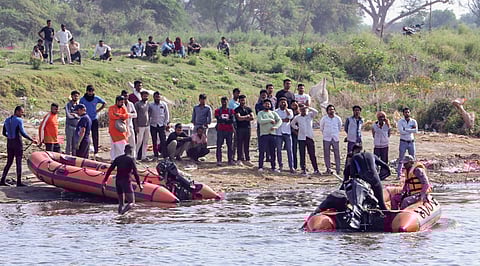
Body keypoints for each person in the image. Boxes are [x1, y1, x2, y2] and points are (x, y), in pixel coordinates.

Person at [346, 144, 391, 210]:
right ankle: (388, 217)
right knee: (382, 204)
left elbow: (353, 175)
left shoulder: (354, 158)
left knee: (361, 205)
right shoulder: (371, 154)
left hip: (364, 183)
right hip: (375, 180)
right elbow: (386, 166)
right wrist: (382, 177)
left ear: (353, 151)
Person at [1, 106, 37, 187]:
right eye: (21, 112)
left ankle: (2, 180)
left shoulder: (7, 120)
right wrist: (32, 140)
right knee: (18, 162)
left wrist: (10, 137)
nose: (22, 113)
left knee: (9, 162)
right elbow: (23, 133)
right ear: (17, 111)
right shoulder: (19, 120)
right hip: (17, 143)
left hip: (9, 143)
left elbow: (3, 133)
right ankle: (19, 182)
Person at [102, 145, 143, 214]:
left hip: (118, 181)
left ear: (124, 150)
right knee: (131, 202)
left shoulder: (118, 158)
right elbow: (135, 173)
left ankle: (119, 217)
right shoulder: (131, 159)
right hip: (126, 181)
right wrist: (139, 184)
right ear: (131, 151)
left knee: (121, 203)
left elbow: (110, 170)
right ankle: (121, 215)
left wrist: (105, 180)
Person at [291, 104, 319, 175]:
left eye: (304, 109)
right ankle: (303, 169)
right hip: (301, 137)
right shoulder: (297, 117)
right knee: (302, 154)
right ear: (300, 110)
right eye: (302, 109)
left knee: (312, 154)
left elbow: (316, 112)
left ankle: (316, 169)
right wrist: (297, 129)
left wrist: (308, 107)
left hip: (309, 137)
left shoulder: (310, 115)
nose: (303, 111)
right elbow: (292, 124)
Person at [79, 85, 106, 157]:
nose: (91, 93)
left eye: (92, 91)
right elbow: (80, 107)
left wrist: (98, 110)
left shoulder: (96, 98)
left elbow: (104, 103)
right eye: (89, 91)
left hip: (94, 119)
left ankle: (96, 151)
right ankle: (84, 149)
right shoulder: (82, 99)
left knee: (95, 135)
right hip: (86, 119)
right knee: (85, 135)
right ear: (86, 91)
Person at [257, 99, 282, 172]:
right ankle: (260, 166)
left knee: (272, 151)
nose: (267, 105)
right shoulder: (260, 113)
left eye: (268, 104)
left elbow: (279, 120)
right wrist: (270, 120)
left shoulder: (273, 113)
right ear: (263, 105)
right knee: (262, 151)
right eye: (266, 104)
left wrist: (276, 126)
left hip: (272, 134)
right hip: (264, 134)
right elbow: (260, 121)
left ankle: (273, 167)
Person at [319, 104, 342, 175]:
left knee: (337, 154)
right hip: (326, 138)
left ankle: (338, 169)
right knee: (326, 154)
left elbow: (339, 127)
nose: (331, 111)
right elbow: (321, 128)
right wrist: (326, 134)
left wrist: (335, 133)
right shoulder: (324, 119)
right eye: (330, 110)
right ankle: (328, 169)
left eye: (332, 109)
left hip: (335, 138)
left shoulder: (338, 118)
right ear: (327, 111)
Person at [396, 107, 418, 178]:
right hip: (403, 141)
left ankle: (413, 173)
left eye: (408, 112)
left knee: (412, 158)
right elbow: (401, 131)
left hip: (411, 141)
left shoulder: (413, 121)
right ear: (403, 113)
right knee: (401, 158)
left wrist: (406, 129)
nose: (407, 113)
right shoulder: (400, 122)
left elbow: (415, 130)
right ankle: (399, 174)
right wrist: (410, 130)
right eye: (405, 112)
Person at [275, 97, 294, 173]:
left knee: (289, 150)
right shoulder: (276, 111)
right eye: (281, 102)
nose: (283, 104)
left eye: (284, 103)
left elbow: (290, 117)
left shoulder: (289, 110)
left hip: (287, 132)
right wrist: (283, 120)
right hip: (279, 133)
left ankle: (291, 166)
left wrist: (286, 109)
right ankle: (280, 165)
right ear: (279, 103)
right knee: (279, 150)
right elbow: (276, 120)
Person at [215, 96, 235, 166]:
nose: (224, 103)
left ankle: (230, 160)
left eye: (225, 101)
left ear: (227, 102)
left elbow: (232, 120)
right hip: (220, 130)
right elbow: (218, 119)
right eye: (222, 101)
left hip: (229, 130)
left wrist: (224, 121)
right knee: (219, 146)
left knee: (230, 146)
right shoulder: (218, 111)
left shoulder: (231, 111)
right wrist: (227, 121)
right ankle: (219, 160)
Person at [149, 91, 170, 159]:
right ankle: (155, 155)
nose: (157, 98)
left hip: (161, 125)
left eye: (158, 96)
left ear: (160, 97)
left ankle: (165, 155)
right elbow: (148, 115)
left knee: (163, 140)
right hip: (153, 125)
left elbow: (167, 114)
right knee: (154, 140)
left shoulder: (164, 104)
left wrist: (165, 123)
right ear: (153, 97)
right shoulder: (151, 105)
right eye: (156, 97)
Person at [108, 96, 129, 161]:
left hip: (121, 131)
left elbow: (126, 116)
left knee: (122, 147)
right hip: (113, 130)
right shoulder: (111, 108)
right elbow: (112, 116)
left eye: (122, 102)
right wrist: (121, 116)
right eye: (120, 102)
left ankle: (122, 160)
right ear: (117, 101)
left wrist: (118, 115)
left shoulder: (123, 108)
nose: (122, 103)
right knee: (113, 147)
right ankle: (113, 160)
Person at [235, 95, 254, 165]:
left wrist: (244, 118)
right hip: (240, 128)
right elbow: (239, 118)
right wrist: (247, 117)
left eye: (244, 100)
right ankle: (239, 159)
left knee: (247, 144)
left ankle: (247, 159)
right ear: (239, 101)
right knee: (239, 144)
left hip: (247, 128)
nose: (243, 101)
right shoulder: (237, 109)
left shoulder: (248, 109)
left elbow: (252, 117)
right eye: (241, 100)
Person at [134, 91, 150, 161]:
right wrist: (136, 126)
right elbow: (135, 116)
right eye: (144, 96)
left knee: (146, 142)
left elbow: (149, 113)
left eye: (146, 96)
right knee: (139, 141)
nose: (145, 97)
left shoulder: (148, 104)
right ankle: (135, 156)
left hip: (147, 125)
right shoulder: (137, 104)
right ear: (141, 96)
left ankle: (144, 156)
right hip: (140, 126)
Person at [121, 90, 137, 157]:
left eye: (127, 96)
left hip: (130, 125)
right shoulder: (120, 104)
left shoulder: (131, 104)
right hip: (122, 126)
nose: (125, 97)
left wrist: (127, 114)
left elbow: (135, 114)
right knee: (123, 142)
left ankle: (133, 157)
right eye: (124, 96)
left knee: (132, 142)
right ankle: (123, 157)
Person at [65, 90, 80, 155]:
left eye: (77, 96)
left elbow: (81, 116)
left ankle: (74, 158)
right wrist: (77, 116)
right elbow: (69, 116)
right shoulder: (68, 105)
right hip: (69, 127)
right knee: (69, 144)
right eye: (74, 96)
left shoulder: (79, 106)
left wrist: (75, 115)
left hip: (76, 127)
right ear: (71, 96)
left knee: (75, 144)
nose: (76, 97)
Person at [228, 88, 241, 161]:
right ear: (233, 93)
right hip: (234, 123)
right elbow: (231, 114)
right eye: (236, 93)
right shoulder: (231, 103)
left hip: (240, 124)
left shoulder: (239, 103)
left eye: (239, 93)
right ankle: (232, 157)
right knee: (234, 141)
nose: (238, 94)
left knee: (239, 140)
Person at [290, 100, 300, 170]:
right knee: (294, 150)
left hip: (301, 133)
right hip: (293, 133)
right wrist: (294, 131)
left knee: (302, 150)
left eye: (295, 104)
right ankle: (294, 165)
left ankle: (303, 165)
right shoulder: (290, 113)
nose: (294, 106)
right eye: (293, 105)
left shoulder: (300, 113)